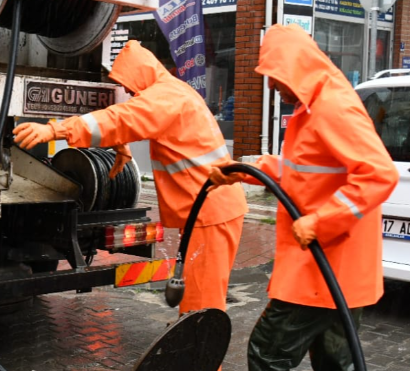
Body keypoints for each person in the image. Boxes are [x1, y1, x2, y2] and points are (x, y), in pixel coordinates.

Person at [208, 24, 399, 370]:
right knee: (335, 362)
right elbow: (302, 169)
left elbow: (379, 174)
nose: (270, 85)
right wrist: (243, 170)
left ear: (293, 68)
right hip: (335, 269)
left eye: (273, 75)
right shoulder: (313, 107)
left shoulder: (332, 107)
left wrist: (321, 221)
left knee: (268, 354)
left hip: (323, 264)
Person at [13, 40, 248, 315]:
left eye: (127, 82)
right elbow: (134, 123)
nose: (125, 89)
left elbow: (122, 118)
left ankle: (200, 356)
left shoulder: (165, 98)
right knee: (198, 297)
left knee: (201, 306)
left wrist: (56, 130)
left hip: (210, 213)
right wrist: (120, 144)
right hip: (209, 210)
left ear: (141, 74)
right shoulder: (174, 92)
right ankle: (194, 352)